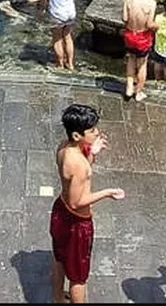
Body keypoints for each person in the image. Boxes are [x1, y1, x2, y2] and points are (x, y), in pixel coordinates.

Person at [51, 104, 123, 304]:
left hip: (60, 211)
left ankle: (57, 298)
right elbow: (77, 202)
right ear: (76, 135)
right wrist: (107, 193)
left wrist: (93, 151)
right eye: (91, 131)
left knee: (59, 259)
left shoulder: (63, 147)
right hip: (77, 224)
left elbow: (77, 176)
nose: (97, 132)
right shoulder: (79, 165)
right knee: (78, 277)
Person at [122, 0, 157, 102]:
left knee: (131, 59)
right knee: (142, 64)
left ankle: (129, 87)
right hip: (143, 37)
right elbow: (149, 24)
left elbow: (124, 18)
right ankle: (139, 91)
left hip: (130, 35)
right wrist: (157, 26)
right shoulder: (151, 3)